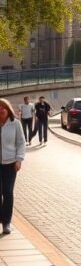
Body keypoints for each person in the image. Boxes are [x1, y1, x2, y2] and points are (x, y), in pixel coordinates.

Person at [0, 99, 27, 234]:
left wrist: (19, 159)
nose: (1, 110)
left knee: (8, 192)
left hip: (10, 163)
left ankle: (6, 222)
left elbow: (21, 142)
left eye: (3, 108)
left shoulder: (15, 123)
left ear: (8, 109)